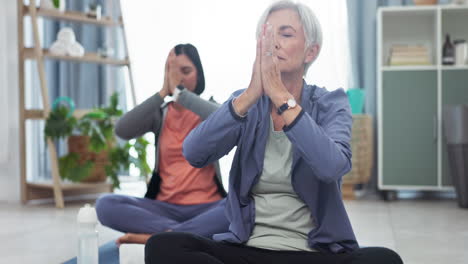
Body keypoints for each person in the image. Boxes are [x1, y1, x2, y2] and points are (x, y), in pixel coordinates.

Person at [144, 1, 403, 264]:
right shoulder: (246, 104)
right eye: (266, 36)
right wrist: (249, 95)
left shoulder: (330, 103)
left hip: (314, 254)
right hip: (248, 250)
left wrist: (280, 95)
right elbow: (194, 153)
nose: (273, 43)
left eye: (286, 34)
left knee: (384, 260)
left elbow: (332, 166)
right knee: (163, 246)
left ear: (311, 51)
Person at [95, 43, 229, 246]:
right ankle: (180, 234)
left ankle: (160, 236)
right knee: (105, 205)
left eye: (185, 71)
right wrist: (162, 93)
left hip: (208, 207)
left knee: (245, 208)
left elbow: (227, 122)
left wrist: (180, 94)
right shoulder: (161, 114)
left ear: (199, 74)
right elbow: (122, 129)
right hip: (164, 208)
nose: (179, 78)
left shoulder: (211, 110)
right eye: (172, 72)